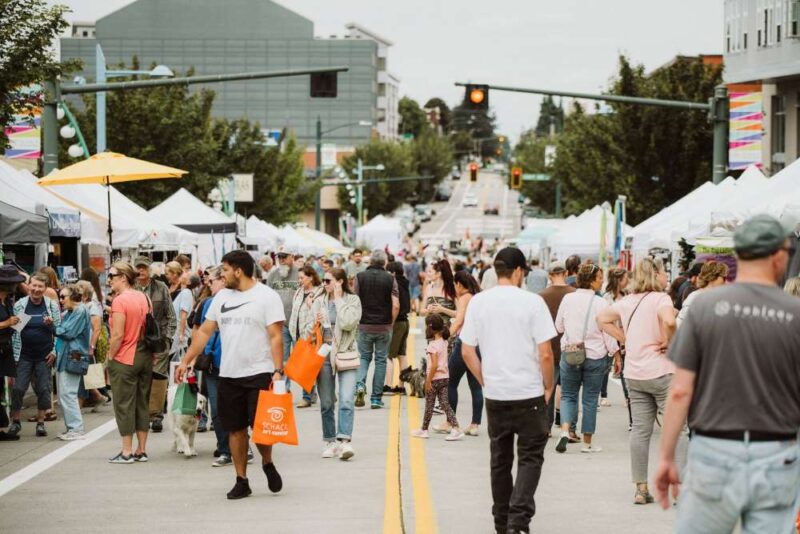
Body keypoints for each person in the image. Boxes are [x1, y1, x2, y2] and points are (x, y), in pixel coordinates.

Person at [655, 214, 800, 532]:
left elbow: (680, 390)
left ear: (739, 254)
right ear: (778, 255)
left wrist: (666, 457)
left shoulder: (704, 306)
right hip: (777, 453)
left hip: (714, 451)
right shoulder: (794, 314)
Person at [460, 247, 556, 534]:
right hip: (528, 392)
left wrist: (485, 379)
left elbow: (467, 351)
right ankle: (519, 521)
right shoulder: (532, 302)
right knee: (530, 457)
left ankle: (502, 523)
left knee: (500, 460)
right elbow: (546, 353)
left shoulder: (479, 302)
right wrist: (548, 385)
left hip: (497, 395)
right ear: (518, 271)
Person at [177, 250, 285, 500]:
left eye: (224, 269)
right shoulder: (221, 297)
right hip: (228, 373)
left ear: (238, 270)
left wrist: (278, 371)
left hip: (259, 371)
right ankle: (242, 480)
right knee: (234, 429)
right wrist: (186, 360)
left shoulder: (267, 296)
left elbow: (276, 336)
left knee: (259, 430)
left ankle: (267, 462)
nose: (220, 275)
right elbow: (204, 331)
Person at [597, 256, 684, 505]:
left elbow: (601, 319)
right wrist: (671, 341)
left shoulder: (626, 302)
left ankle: (640, 487)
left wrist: (624, 338)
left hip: (635, 374)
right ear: (656, 275)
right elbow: (669, 320)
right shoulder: (662, 299)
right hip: (662, 373)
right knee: (678, 430)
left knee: (640, 431)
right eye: (662, 272)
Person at [554, 264, 619, 454]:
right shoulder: (601, 303)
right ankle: (587, 443)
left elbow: (558, 327)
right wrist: (615, 353)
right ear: (591, 280)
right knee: (590, 399)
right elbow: (608, 333)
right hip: (595, 356)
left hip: (571, 353)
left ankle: (565, 430)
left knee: (568, 395)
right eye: (599, 277)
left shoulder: (568, 299)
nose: (602, 281)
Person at [106, 262, 152, 463]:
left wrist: (109, 356)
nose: (109, 279)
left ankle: (126, 451)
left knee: (124, 403)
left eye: (112, 275)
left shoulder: (119, 301)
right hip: (145, 354)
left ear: (123, 277)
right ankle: (141, 449)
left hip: (125, 356)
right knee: (142, 402)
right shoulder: (144, 296)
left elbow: (117, 335)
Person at [316, 267, 362, 460]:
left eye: (328, 281)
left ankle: (344, 441)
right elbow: (307, 329)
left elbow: (348, 323)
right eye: (323, 281)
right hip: (324, 354)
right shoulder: (319, 301)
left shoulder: (353, 300)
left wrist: (339, 299)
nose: (324, 284)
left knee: (346, 399)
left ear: (340, 281)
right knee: (326, 402)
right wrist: (314, 323)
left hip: (346, 353)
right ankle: (330, 440)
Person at [8, 274, 61, 438]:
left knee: (43, 389)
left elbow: (60, 332)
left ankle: (41, 422)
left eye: (40, 287)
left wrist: (54, 351)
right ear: (28, 286)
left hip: (45, 356)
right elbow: (14, 332)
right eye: (34, 286)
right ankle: (16, 422)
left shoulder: (51, 306)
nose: (37, 289)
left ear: (45, 289)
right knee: (18, 388)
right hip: (23, 355)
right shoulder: (21, 305)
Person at [133, 256, 176, 433]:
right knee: (142, 377)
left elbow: (171, 315)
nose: (141, 271)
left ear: (150, 270)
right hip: (137, 340)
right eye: (138, 268)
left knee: (158, 376)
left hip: (158, 339)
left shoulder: (161, 287)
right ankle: (143, 414)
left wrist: (168, 338)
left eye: (144, 268)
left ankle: (156, 416)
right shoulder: (131, 289)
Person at [194, 266, 231, 466]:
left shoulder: (239, 301)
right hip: (212, 363)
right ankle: (225, 449)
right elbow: (199, 331)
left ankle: (241, 445)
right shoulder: (208, 303)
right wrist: (191, 359)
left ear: (223, 280)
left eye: (212, 281)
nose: (209, 284)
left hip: (234, 362)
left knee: (234, 408)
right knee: (216, 409)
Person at [438, 270, 483, 436]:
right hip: (478, 345)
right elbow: (461, 315)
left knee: (450, 381)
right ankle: (474, 424)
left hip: (465, 343)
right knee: (475, 385)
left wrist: (445, 337)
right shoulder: (476, 297)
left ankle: (450, 422)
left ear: (459, 284)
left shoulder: (464, 298)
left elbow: (459, 320)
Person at [354, 250, 399, 409]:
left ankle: (359, 386)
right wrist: (391, 323)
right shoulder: (390, 279)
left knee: (364, 358)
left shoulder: (360, 277)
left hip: (364, 325)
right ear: (384, 262)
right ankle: (375, 398)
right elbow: (396, 305)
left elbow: (355, 301)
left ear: (370, 261)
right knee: (381, 361)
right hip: (384, 326)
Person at [411, 314, 464, 441]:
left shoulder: (432, 345)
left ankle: (424, 430)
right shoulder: (444, 342)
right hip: (445, 377)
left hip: (434, 379)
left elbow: (434, 365)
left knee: (429, 405)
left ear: (430, 328)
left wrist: (428, 381)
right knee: (445, 404)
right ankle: (456, 428)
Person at [538, 261, 576, 431]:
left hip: (548, 348)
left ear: (549, 275)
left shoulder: (541, 295)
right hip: (571, 348)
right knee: (570, 391)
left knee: (548, 388)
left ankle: (545, 427)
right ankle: (569, 428)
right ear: (566, 273)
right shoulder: (574, 294)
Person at [53, 284, 91, 440]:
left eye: (63, 296)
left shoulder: (80, 310)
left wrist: (53, 327)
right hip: (67, 355)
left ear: (73, 296)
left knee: (68, 393)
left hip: (73, 356)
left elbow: (67, 332)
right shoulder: (71, 311)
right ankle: (72, 428)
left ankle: (76, 429)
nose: (61, 300)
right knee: (65, 393)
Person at [288, 265, 324, 408]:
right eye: (299, 278)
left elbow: (317, 315)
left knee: (306, 367)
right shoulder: (298, 291)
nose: (300, 280)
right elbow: (294, 312)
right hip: (295, 334)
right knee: (303, 366)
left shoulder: (318, 293)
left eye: (302, 277)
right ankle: (311, 393)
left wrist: (309, 333)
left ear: (310, 277)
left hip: (310, 335)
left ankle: (306, 397)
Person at [266, 248, 300, 391]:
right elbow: (266, 295)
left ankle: (308, 393)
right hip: (280, 324)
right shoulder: (273, 274)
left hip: (299, 323)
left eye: (284, 257)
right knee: (282, 358)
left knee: (302, 359)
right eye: (279, 257)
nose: (281, 260)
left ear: (292, 257)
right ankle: (283, 389)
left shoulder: (299, 273)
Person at [0, 266, 25, 441]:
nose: (16, 286)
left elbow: (26, 279)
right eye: (13, 283)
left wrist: (15, 324)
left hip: (4, 351)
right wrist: (7, 322)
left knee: (1, 390)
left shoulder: (8, 301)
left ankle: (0, 429)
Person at [599, 267, 629, 408]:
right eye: (625, 278)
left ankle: (627, 396)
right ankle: (603, 395)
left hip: (624, 334)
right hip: (609, 334)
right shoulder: (606, 297)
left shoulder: (627, 295)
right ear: (619, 280)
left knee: (623, 365)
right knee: (606, 366)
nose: (627, 280)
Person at [384, 261, 411, 395]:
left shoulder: (394, 284)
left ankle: (388, 385)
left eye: (388, 272)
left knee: (388, 355)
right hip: (405, 321)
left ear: (393, 273)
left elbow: (395, 306)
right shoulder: (405, 283)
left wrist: (390, 322)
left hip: (397, 321)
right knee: (402, 355)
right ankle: (401, 386)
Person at [676, 260, 728, 327]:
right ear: (714, 277)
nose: (725, 281)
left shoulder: (717, 298)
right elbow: (679, 325)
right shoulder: (695, 297)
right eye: (724, 277)